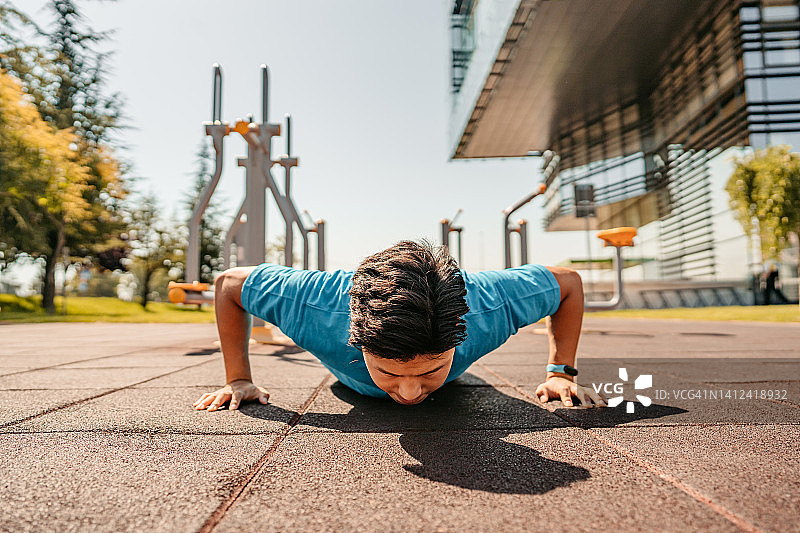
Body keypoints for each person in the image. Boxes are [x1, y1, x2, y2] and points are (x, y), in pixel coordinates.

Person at [193, 240, 606, 411]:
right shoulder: (313, 305)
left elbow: (567, 282)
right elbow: (229, 284)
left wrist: (560, 372)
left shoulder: (488, 307)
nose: (409, 393)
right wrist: (238, 379)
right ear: (353, 335)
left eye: (431, 370)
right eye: (388, 371)